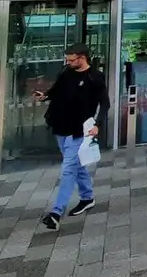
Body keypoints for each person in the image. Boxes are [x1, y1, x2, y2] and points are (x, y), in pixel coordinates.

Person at [34, 44, 109, 230]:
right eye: (67, 59)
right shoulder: (66, 72)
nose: (68, 62)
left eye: (71, 59)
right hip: (60, 125)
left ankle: (56, 213)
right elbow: (57, 90)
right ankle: (87, 197)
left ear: (82, 58)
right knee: (77, 165)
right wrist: (45, 96)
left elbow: (105, 103)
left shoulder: (95, 77)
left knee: (68, 169)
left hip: (79, 130)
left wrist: (98, 125)